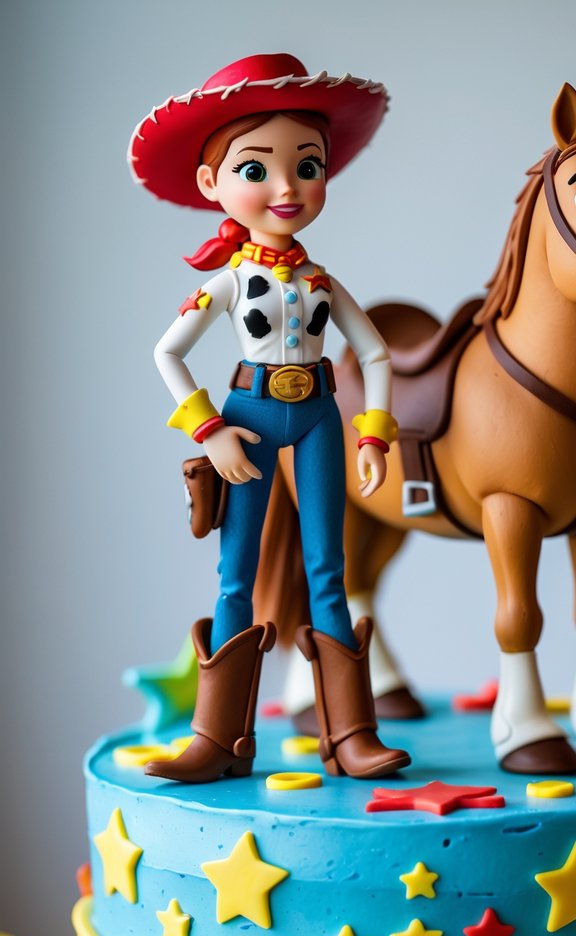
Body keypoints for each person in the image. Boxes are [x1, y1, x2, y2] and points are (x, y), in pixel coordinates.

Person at [128, 53, 410, 782]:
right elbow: (167, 354)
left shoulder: (322, 281)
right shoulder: (227, 283)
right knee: (236, 574)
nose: (286, 186)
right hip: (248, 420)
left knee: (328, 569)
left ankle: (349, 734)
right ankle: (218, 739)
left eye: (306, 165)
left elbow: (374, 353)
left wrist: (373, 432)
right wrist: (210, 429)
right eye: (256, 169)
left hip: (318, 416)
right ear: (210, 184)